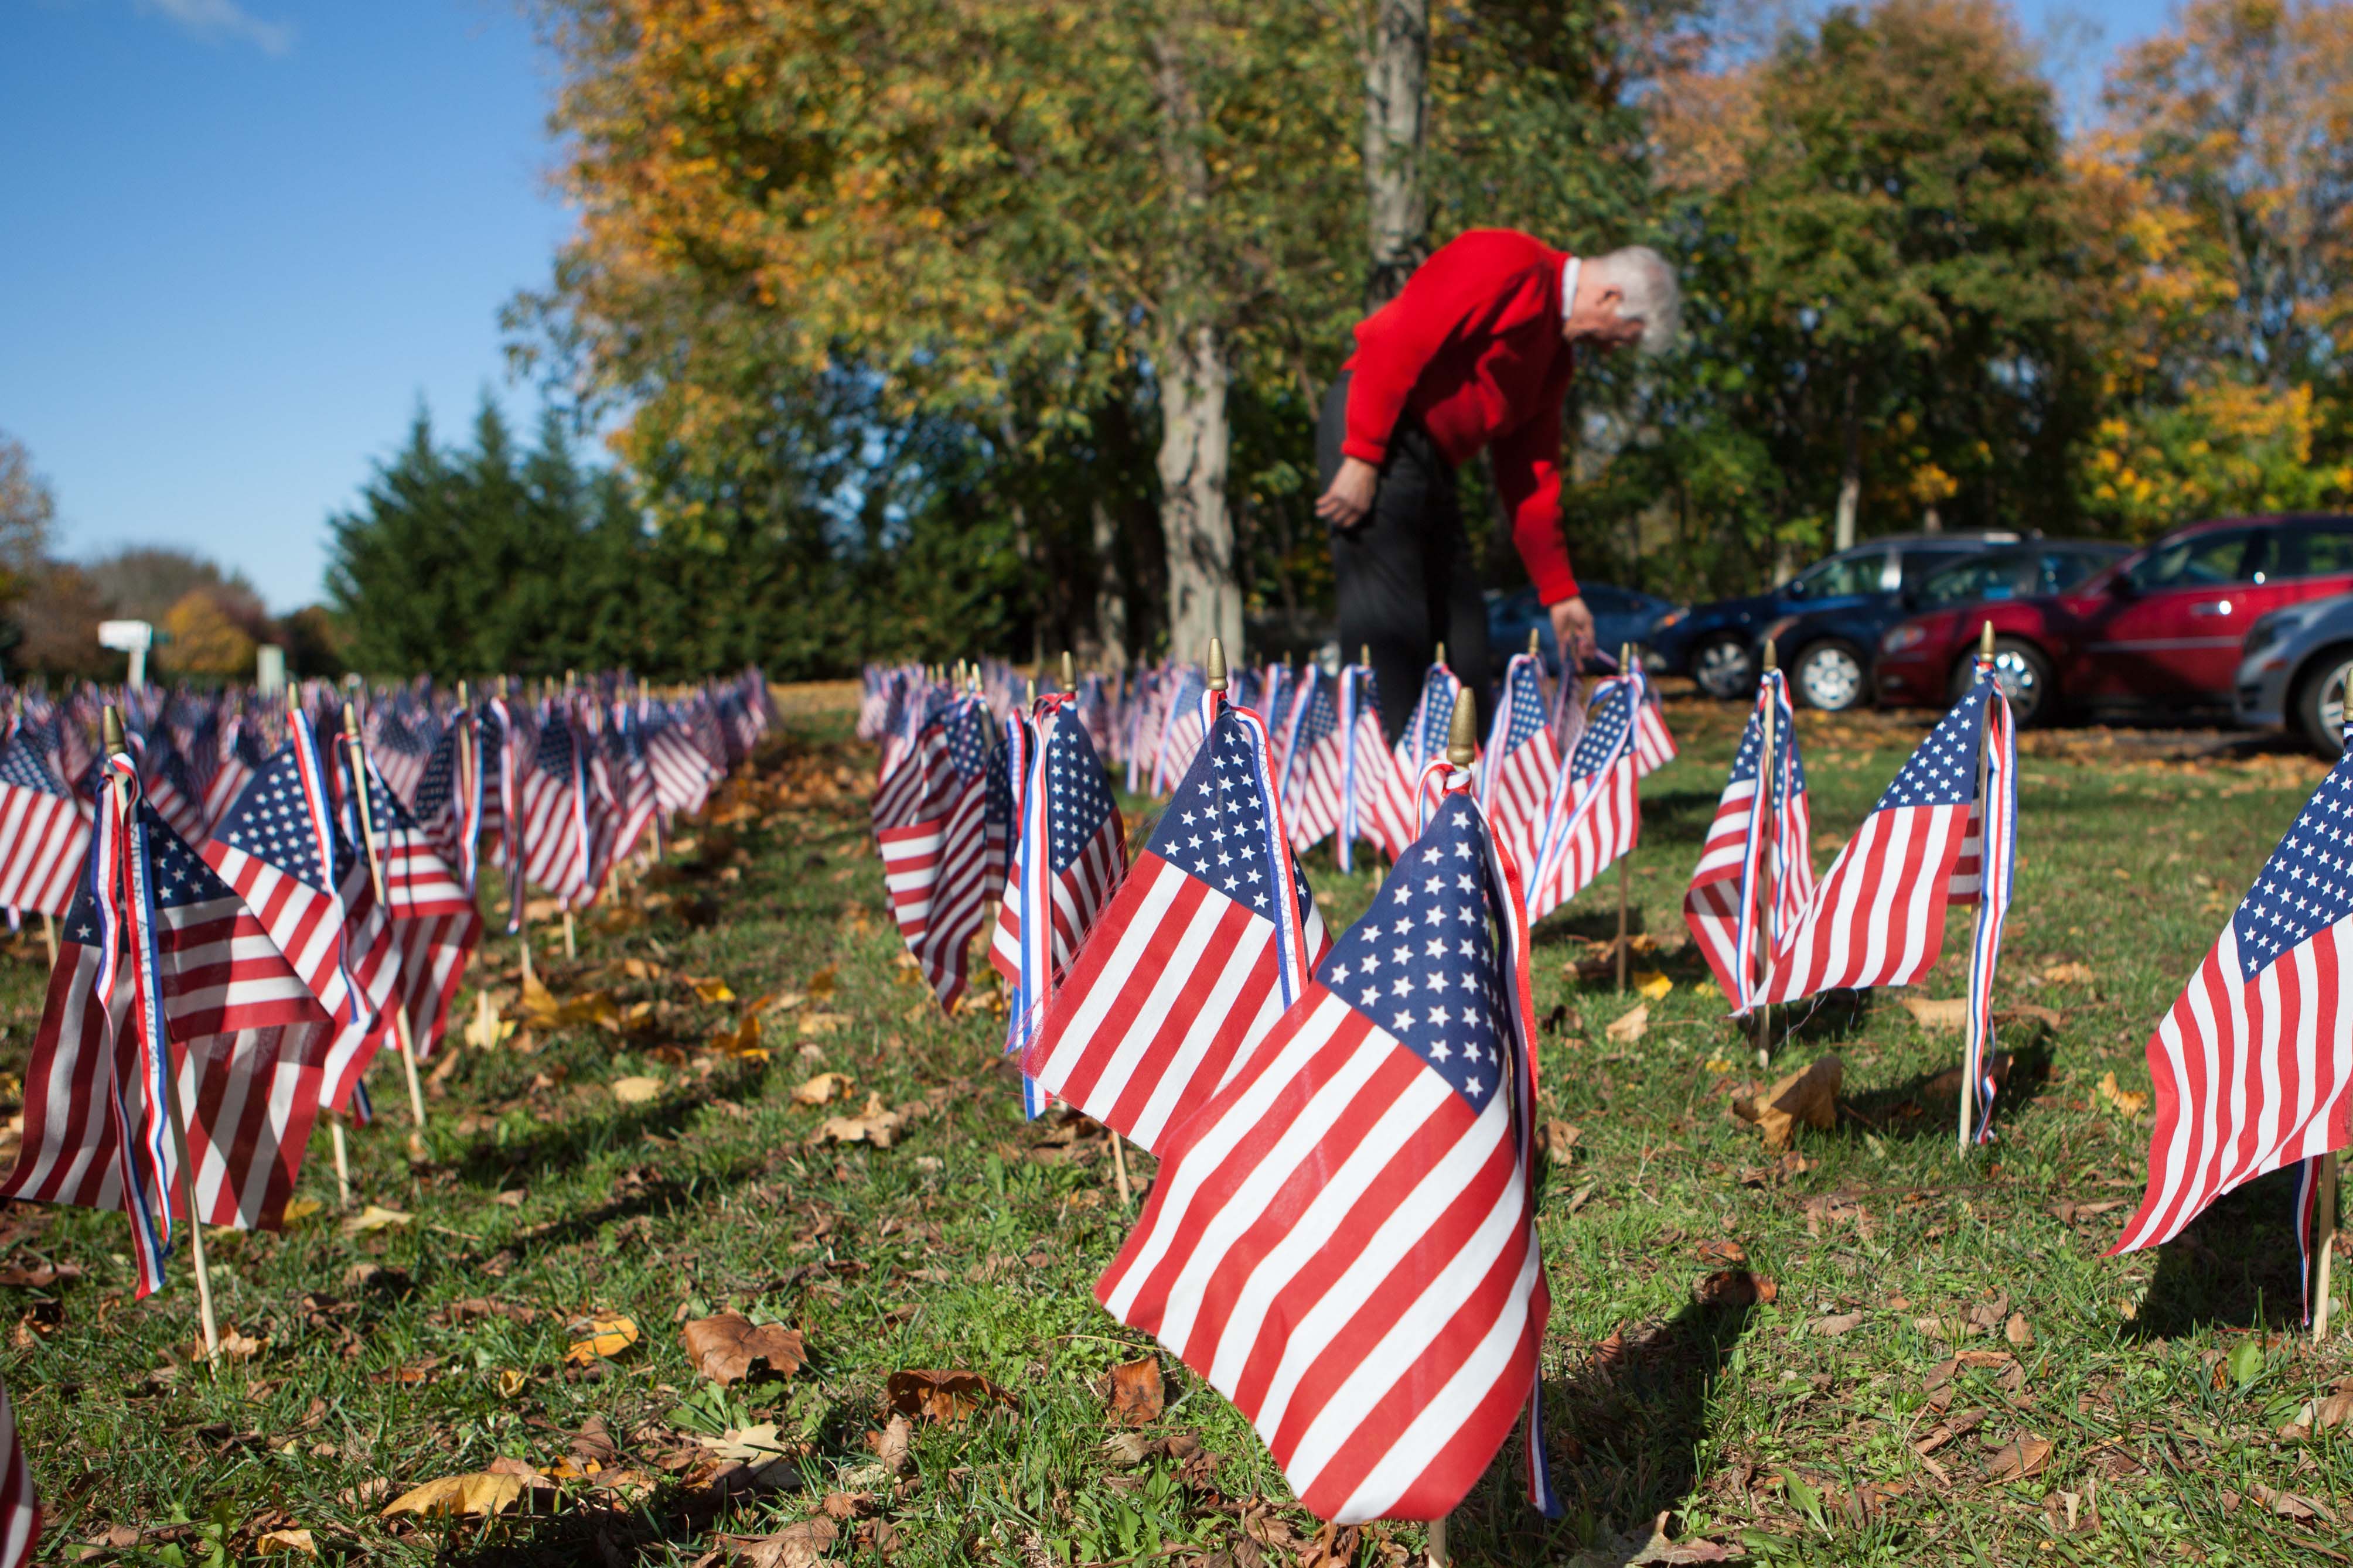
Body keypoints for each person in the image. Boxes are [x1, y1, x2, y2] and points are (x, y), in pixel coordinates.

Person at [1314, 230, 1681, 741]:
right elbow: (1398, 336)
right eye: (1627, 334)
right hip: (1375, 425)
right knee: (1393, 626)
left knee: (1465, 633)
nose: (1618, 349)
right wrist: (1363, 454)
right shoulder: (1508, 261)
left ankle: (1463, 794)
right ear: (1609, 298)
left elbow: (1531, 474)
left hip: (1434, 460)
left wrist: (1559, 591)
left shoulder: (1555, 361)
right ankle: (1381, 799)